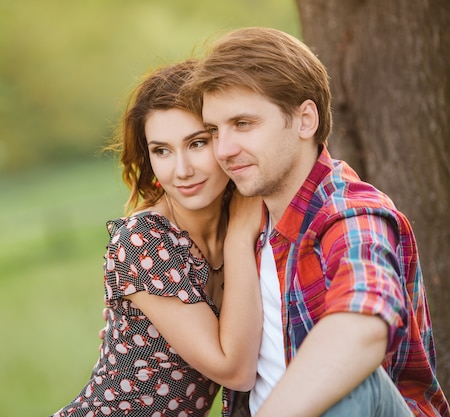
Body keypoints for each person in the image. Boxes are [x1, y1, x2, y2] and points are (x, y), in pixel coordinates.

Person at [185, 27, 449, 417]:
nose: (223, 150)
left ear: (305, 120)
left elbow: (364, 321)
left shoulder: (351, 213)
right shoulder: (245, 222)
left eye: (243, 124)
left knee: (357, 379)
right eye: (213, 130)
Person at [50, 60, 263, 417]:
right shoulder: (144, 240)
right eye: (162, 150)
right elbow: (235, 370)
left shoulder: (247, 214)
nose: (181, 170)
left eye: (197, 143)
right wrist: (240, 239)